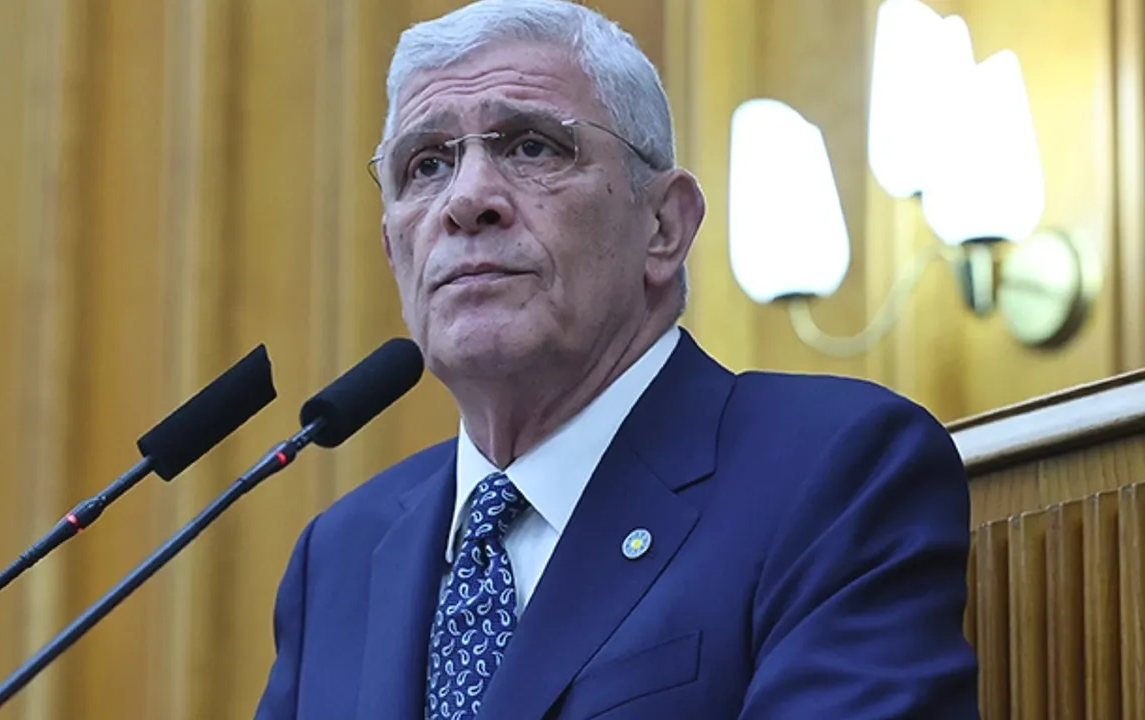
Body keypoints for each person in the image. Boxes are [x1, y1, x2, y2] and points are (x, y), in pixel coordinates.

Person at [255, 1, 979, 718]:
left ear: (663, 226)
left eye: (531, 147)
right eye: (428, 164)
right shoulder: (339, 558)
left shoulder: (833, 468)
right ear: (395, 251)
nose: (467, 199)